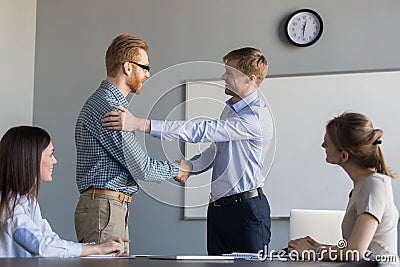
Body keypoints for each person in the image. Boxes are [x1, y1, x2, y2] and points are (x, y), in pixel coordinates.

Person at [102, 47, 274, 255]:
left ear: (250, 78)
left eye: (229, 73)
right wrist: (190, 166)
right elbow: (215, 149)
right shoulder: (231, 109)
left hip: (247, 211)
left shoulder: (255, 117)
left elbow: (201, 131)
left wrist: (140, 124)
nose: (223, 77)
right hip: (219, 210)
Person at [74, 34, 185, 254]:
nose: (147, 74)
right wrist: (178, 168)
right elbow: (141, 167)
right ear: (127, 67)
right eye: (144, 67)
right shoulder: (110, 108)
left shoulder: (110, 104)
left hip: (109, 208)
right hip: (104, 209)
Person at [0, 126, 127, 257]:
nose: (55, 161)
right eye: (50, 154)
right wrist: (98, 249)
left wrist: (99, 247)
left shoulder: (28, 201)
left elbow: (52, 242)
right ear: (30, 159)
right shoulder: (10, 207)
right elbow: (41, 246)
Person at [288, 112, 398, 262]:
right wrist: (320, 247)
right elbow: (356, 249)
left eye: (327, 143)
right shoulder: (361, 186)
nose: (322, 145)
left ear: (344, 155)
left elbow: (355, 252)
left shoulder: (374, 185)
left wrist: (315, 252)